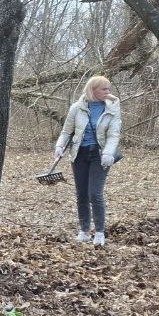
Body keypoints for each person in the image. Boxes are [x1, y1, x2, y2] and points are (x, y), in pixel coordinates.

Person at [54, 75, 121, 246]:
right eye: (104, 89)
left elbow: (114, 134)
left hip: (100, 155)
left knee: (95, 194)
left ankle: (99, 233)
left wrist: (108, 153)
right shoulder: (77, 108)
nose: (108, 91)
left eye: (109, 88)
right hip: (79, 154)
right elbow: (66, 131)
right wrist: (60, 146)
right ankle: (84, 231)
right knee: (82, 194)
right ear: (93, 90)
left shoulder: (113, 107)